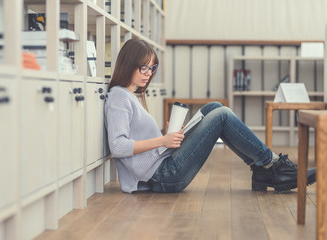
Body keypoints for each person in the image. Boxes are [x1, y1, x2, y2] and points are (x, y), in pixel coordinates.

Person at [104, 38, 316, 194]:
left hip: (163, 163)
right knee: (221, 115)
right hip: (164, 176)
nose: (149, 73)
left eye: (152, 68)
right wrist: (163, 139)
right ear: (128, 65)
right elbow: (118, 146)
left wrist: (170, 136)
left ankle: (263, 169)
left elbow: (139, 141)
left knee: (212, 107)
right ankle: (274, 166)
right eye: (144, 68)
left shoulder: (130, 96)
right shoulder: (119, 97)